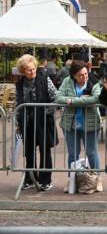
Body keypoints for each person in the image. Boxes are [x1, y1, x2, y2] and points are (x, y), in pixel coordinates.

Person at [55, 60, 102, 192]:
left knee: (91, 153)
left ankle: (97, 179)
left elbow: (96, 98)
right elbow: (58, 97)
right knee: (73, 153)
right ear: (74, 75)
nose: (84, 77)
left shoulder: (94, 81)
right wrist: (81, 100)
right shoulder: (67, 82)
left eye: (86, 73)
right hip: (70, 124)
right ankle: (72, 181)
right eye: (81, 75)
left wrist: (72, 101)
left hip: (90, 123)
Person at [15, 54, 58, 191]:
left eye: (33, 69)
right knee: (29, 152)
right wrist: (18, 122)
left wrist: (47, 111)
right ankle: (30, 178)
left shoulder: (44, 79)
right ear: (23, 71)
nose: (32, 71)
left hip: (43, 121)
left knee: (45, 151)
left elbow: (55, 97)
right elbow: (18, 103)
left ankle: (46, 180)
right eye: (28, 70)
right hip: (27, 122)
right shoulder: (20, 84)